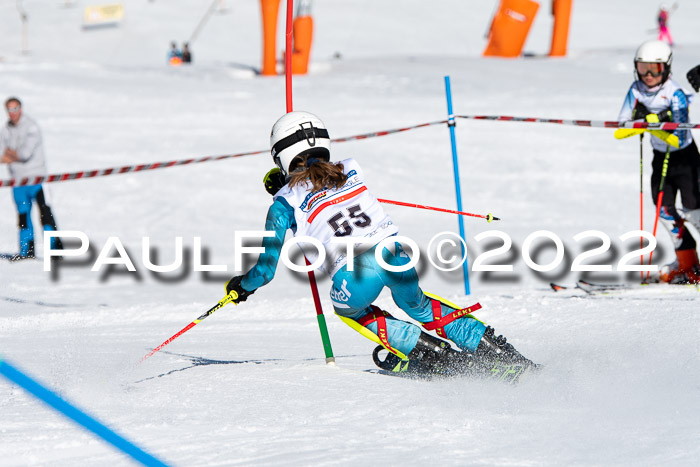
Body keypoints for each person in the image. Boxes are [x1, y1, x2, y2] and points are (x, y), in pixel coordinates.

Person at [222, 111, 536, 377]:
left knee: (350, 310)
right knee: (420, 305)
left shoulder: (282, 205)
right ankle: (504, 356)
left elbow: (265, 271)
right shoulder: (350, 168)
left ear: (281, 156)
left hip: (354, 274)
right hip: (395, 253)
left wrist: (241, 286)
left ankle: (434, 357)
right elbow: (319, 183)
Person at [618, 40, 700, 284]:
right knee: (664, 212)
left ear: (666, 68)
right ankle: (688, 265)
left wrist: (650, 123)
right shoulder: (635, 90)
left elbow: (679, 138)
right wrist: (647, 122)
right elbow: (620, 128)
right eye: (643, 68)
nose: (650, 75)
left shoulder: (675, 94)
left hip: (685, 159)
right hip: (659, 158)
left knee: (694, 212)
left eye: (655, 68)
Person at [0, 97, 62, 260]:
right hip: (18, 182)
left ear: (21, 108)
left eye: (15, 109)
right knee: (23, 218)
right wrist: (12, 155)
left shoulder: (31, 127)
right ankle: (27, 252)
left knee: (46, 216)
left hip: (37, 181)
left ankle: (55, 253)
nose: (12, 113)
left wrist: (10, 154)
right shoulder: (5, 129)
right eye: (9, 110)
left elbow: (24, 154)